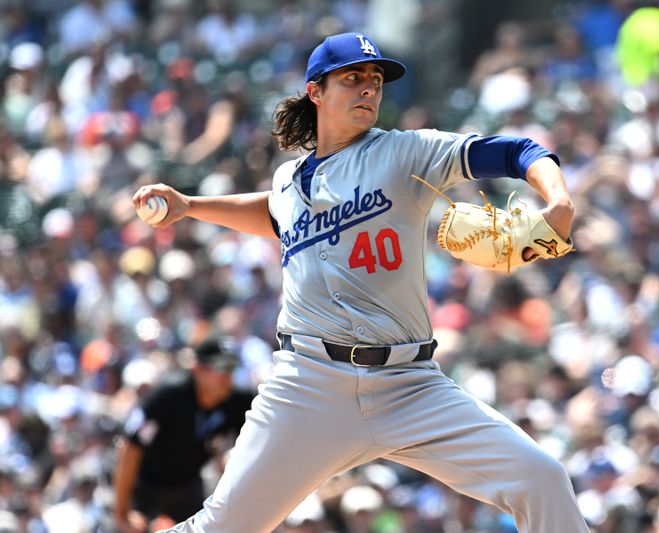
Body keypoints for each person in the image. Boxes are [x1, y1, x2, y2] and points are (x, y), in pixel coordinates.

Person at [133, 32, 588, 533]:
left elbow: (515, 151)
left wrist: (558, 199)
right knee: (221, 527)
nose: (369, 88)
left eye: (375, 80)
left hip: (410, 385)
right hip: (308, 386)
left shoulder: (404, 153)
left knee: (542, 478)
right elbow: (270, 211)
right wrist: (191, 206)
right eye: (353, 78)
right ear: (316, 91)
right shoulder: (289, 182)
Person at [113, 336, 254, 532]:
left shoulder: (239, 403)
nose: (227, 375)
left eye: (231, 368)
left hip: (188, 488)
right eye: (220, 367)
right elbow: (130, 448)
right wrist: (122, 514)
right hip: (146, 489)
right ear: (198, 369)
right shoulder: (169, 396)